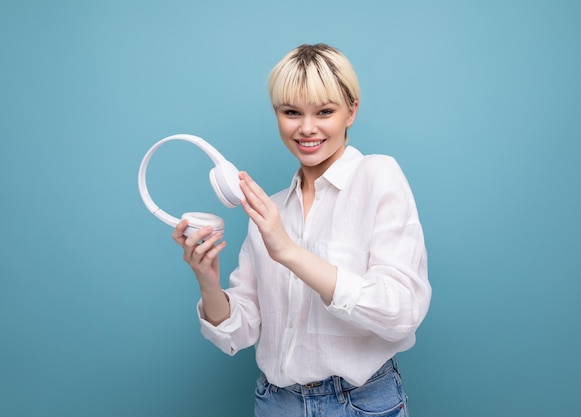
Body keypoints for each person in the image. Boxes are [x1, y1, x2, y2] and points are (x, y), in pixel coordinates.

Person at [172, 43, 431, 417]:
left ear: (351, 111)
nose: (307, 128)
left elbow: (402, 312)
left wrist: (289, 252)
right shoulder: (271, 210)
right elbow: (239, 331)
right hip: (278, 403)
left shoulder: (378, 177)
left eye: (324, 111)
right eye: (291, 112)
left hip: (359, 403)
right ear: (277, 114)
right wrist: (208, 282)